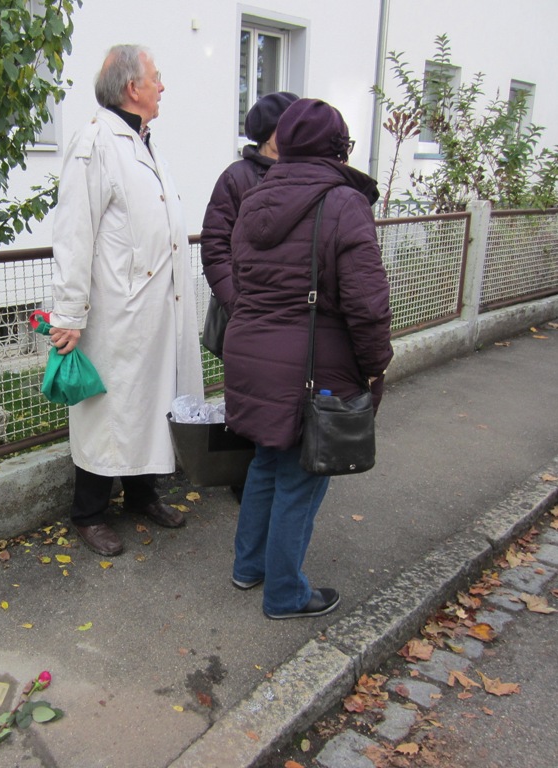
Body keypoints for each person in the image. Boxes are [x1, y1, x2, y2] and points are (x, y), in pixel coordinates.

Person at [223, 98, 394, 619]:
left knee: (267, 465)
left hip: (252, 355)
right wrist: (374, 364)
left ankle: (248, 567)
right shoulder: (343, 204)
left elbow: (241, 276)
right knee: (301, 476)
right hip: (312, 367)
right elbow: (367, 302)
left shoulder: (254, 198)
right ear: (337, 148)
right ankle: (286, 595)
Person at [48, 44, 204, 557]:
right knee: (110, 413)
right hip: (115, 313)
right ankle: (88, 513)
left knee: (152, 405)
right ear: (132, 88)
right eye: (157, 78)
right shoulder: (95, 142)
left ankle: (142, 495)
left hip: (154, 309)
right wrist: (68, 312)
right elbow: (74, 233)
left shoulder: (141, 140)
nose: (163, 86)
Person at [200, 91, 299, 325]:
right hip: (248, 314)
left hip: (295, 317)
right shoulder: (236, 177)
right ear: (269, 131)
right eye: (288, 125)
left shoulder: (304, 174)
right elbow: (215, 246)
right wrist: (237, 305)